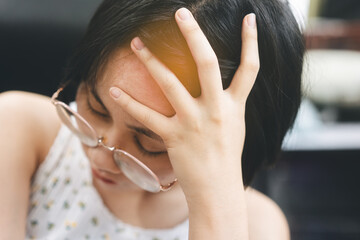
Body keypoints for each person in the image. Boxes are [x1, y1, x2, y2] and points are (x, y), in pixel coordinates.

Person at [0, 0, 304, 239]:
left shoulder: (257, 226)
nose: (102, 158)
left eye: (150, 144)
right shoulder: (20, 129)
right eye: (95, 107)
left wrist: (215, 203)